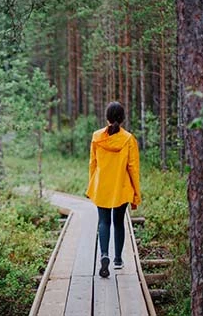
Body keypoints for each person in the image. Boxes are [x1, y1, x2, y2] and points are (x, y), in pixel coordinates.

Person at [86, 101, 141, 278]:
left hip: (101, 186)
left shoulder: (96, 137)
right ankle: (117, 260)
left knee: (103, 222)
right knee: (118, 222)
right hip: (121, 188)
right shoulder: (128, 139)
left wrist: (92, 184)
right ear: (122, 118)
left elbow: (92, 164)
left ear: (107, 117)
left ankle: (104, 255)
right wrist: (136, 194)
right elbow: (133, 168)